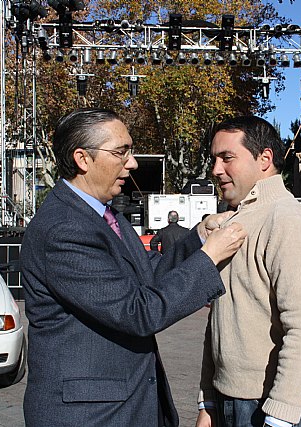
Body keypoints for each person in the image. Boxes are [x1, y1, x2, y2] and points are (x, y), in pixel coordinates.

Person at [20, 108, 247, 427]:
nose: (133, 163)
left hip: (126, 406)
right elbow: (138, 312)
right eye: (120, 152)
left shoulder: (103, 215)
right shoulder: (64, 229)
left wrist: (199, 238)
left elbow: (147, 273)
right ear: (83, 159)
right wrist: (208, 258)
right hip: (91, 415)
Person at [196, 116, 301, 427]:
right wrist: (207, 399)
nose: (216, 169)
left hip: (280, 407)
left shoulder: (287, 219)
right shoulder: (237, 219)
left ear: (265, 159)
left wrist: (280, 416)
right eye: (214, 159)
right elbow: (220, 318)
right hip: (232, 399)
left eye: (227, 158)